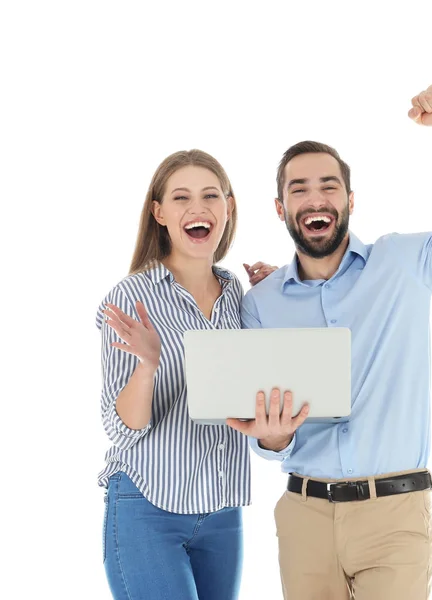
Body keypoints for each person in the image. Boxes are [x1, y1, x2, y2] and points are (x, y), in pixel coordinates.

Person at [227, 82, 432, 600]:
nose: (315, 198)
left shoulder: (405, 263)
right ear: (280, 208)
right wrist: (272, 437)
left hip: (395, 516)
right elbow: (272, 436)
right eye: (299, 189)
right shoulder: (262, 304)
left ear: (349, 201)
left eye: (328, 186)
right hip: (304, 515)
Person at [96, 149, 286, 600]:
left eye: (209, 195)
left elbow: (265, 388)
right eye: (181, 198)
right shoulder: (130, 298)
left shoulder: (239, 296)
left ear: (228, 207)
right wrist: (147, 366)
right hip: (147, 507)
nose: (197, 208)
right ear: (159, 213)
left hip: (221, 513)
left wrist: (281, 300)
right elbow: (120, 429)